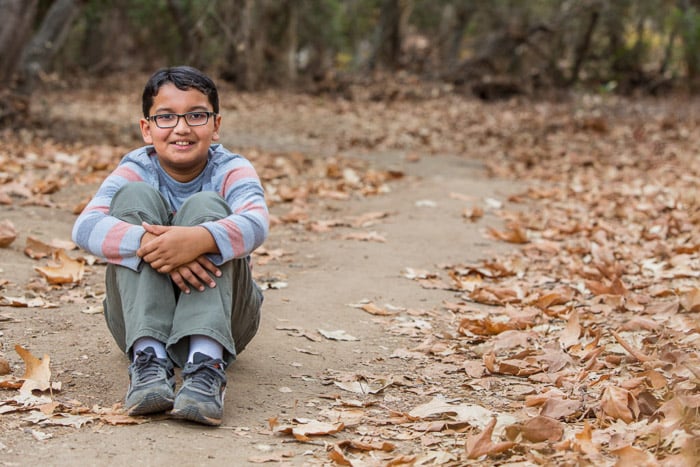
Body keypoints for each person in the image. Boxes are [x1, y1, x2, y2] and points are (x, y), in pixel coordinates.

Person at [72, 66, 269, 426]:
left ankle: (205, 366)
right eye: (166, 117)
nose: (181, 128)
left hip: (228, 323)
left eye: (196, 115)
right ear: (147, 128)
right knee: (133, 198)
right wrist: (155, 245)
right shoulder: (136, 168)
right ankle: (149, 361)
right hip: (134, 321)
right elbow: (85, 227)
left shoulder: (231, 168)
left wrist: (197, 240)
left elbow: (256, 224)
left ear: (216, 124)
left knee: (206, 207)